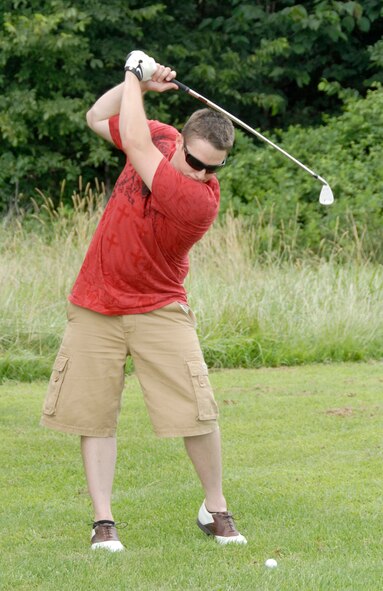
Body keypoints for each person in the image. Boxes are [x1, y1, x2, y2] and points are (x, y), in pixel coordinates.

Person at [41, 51, 247, 551]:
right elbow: (98, 117)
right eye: (196, 161)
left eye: (212, 168)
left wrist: (135, 75)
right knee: (93, 413)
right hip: (96, 299)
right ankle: (103, 522)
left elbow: (132, 139)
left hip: (159, 306)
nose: (202, 172)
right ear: (182, 140)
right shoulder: (162, 135)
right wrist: (134, 86)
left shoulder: (197, 200)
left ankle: (214, 507)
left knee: (196, 411)